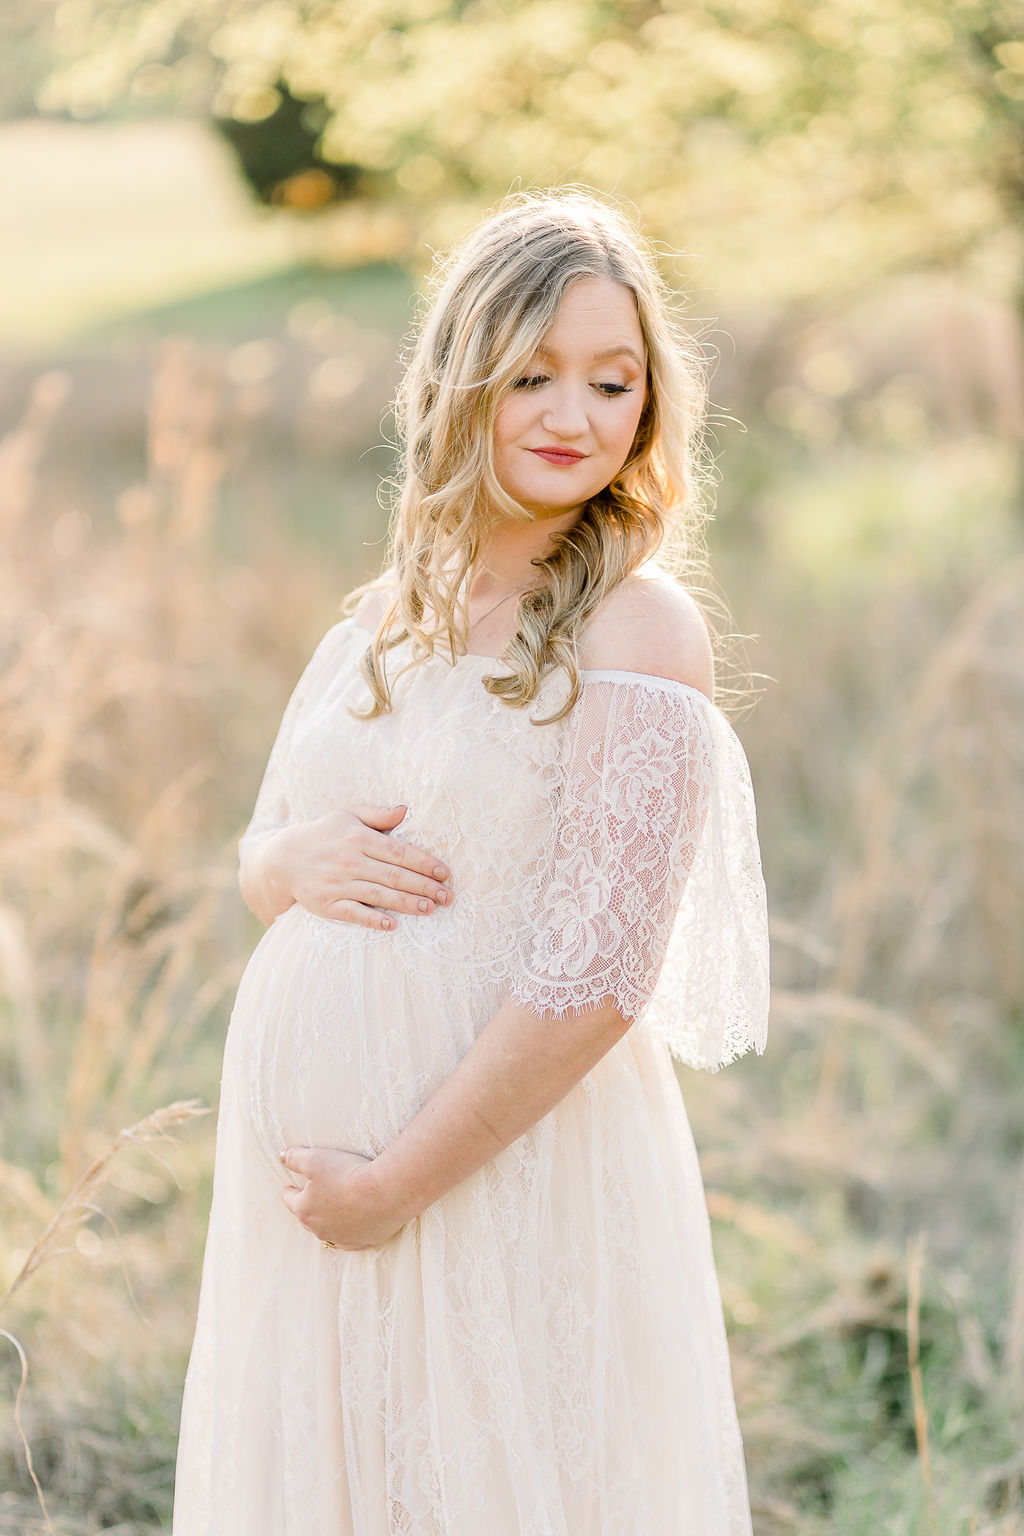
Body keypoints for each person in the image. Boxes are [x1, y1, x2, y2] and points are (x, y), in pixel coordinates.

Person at [172, 189, 770, 1536]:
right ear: (459, 383)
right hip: (319, 1196)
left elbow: (605, 972)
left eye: (613, 381)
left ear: (651, 403)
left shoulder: (638, 631)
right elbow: (264, 851)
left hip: (498, 1178)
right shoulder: (392, 612)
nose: (576, 415)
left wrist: (394, 1185)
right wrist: (289, 860)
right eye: (533, 376)